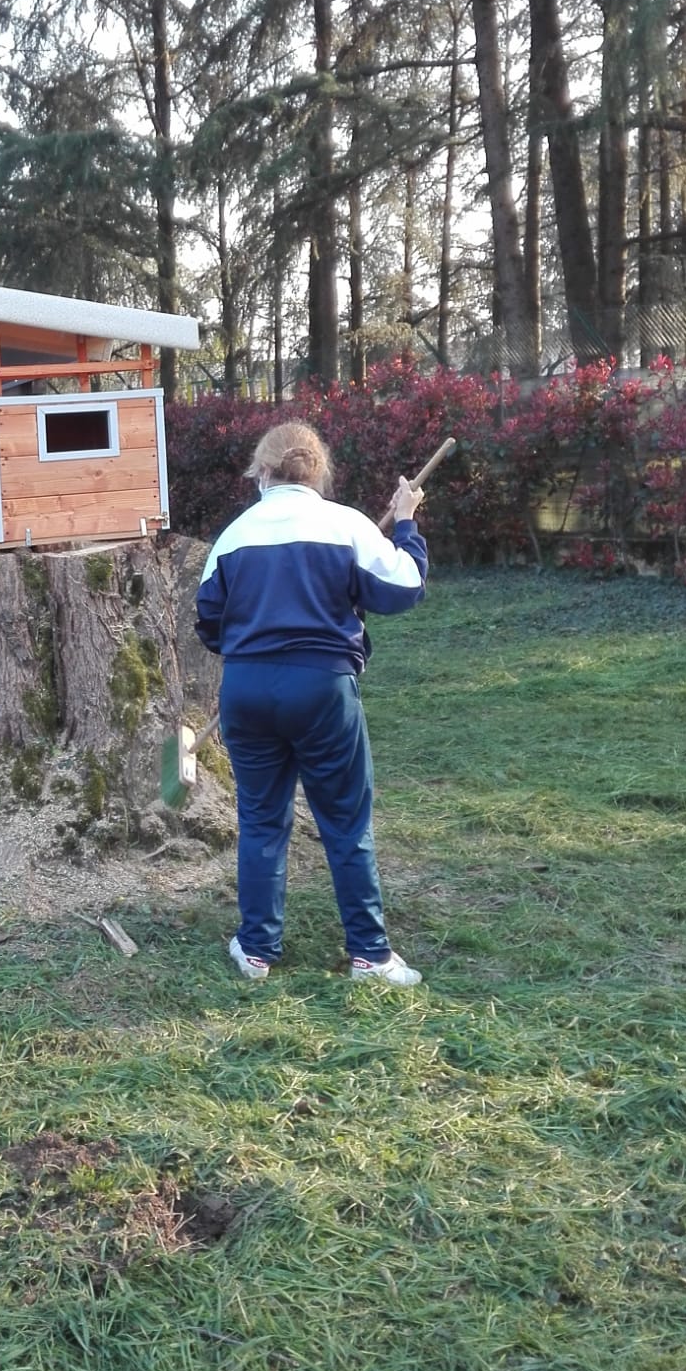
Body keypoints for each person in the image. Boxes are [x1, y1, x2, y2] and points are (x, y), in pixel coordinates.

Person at [195, 420, 428, 987]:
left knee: (260, 820)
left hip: (246, 692)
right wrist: (406, 523)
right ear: (318, 472)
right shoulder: (345, 524)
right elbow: (404, 586)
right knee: (345, 822)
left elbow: (208, 624)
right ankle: (370, 953)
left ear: (262, 473)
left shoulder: (233, 536)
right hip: (322, 690)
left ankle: (255, 950)